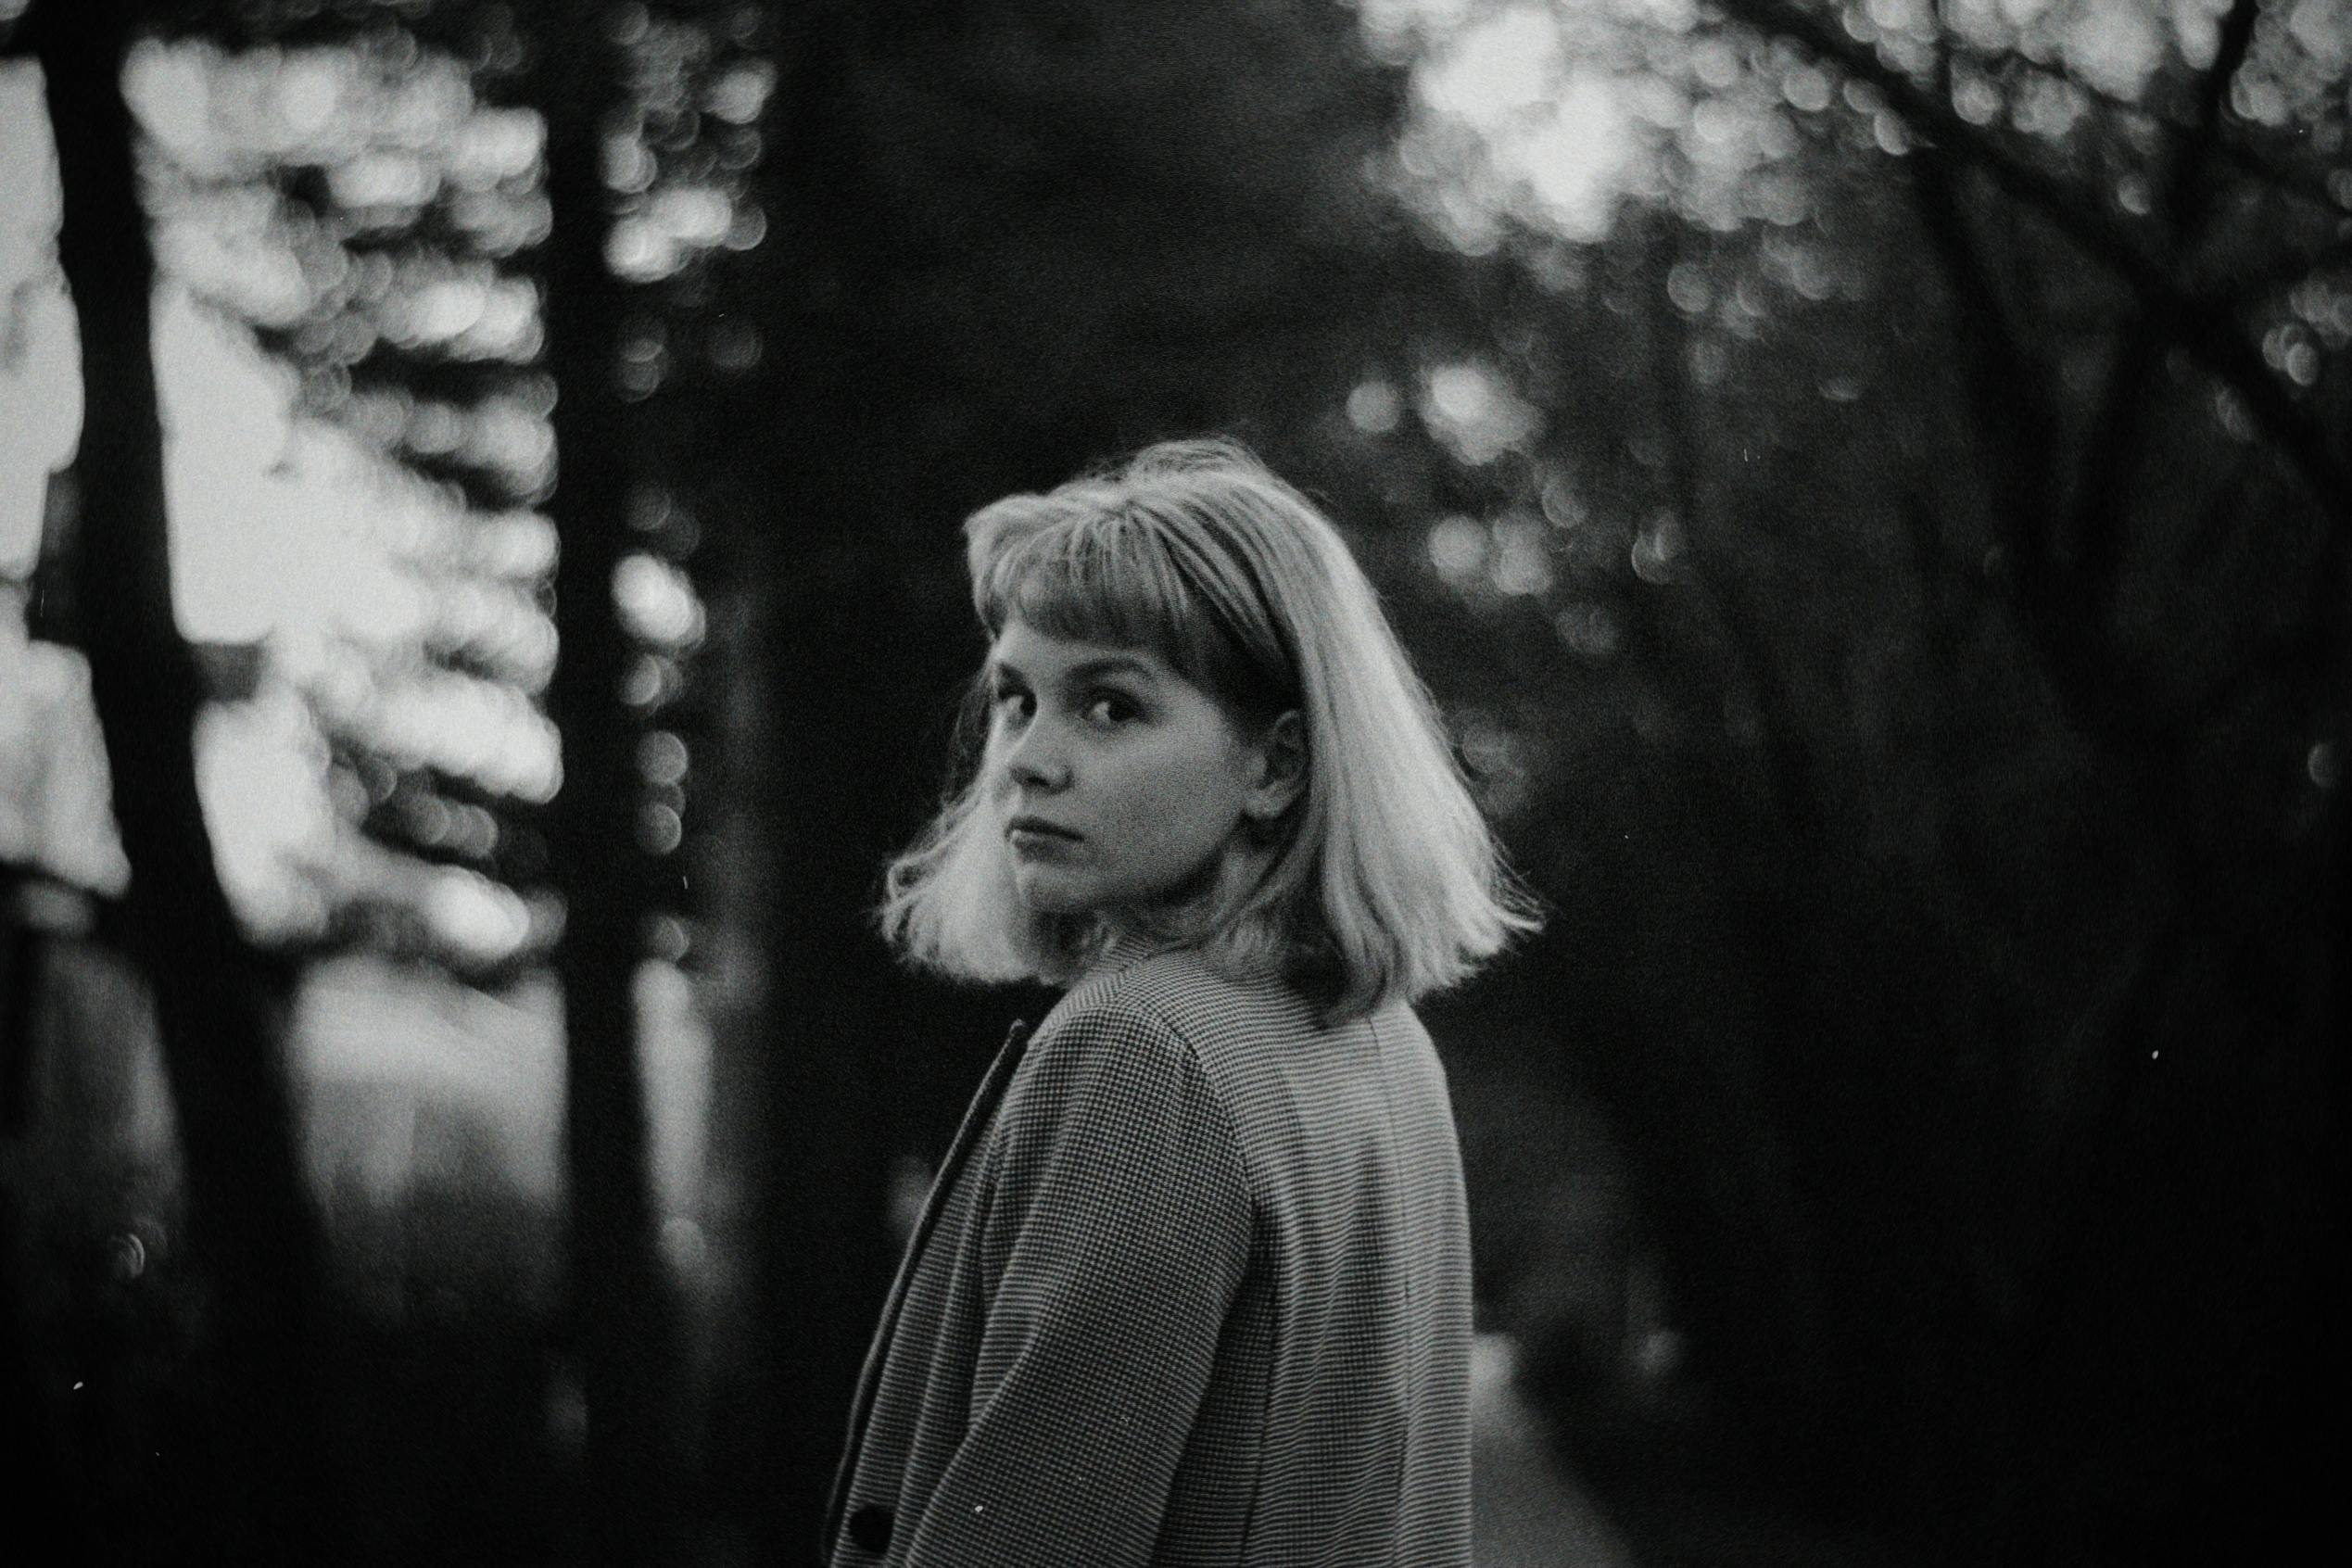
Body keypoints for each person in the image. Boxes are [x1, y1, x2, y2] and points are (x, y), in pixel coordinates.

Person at [827, 438, 1537, 1567]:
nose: (1025, 760)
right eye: (1016, 700)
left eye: (1109, 706)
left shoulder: (1143, 1049)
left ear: (1279, 767)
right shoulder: (1379, 1034)